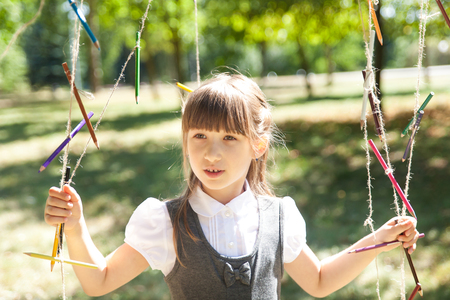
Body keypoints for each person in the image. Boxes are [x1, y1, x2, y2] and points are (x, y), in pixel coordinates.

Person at [44, 73, 419, 299]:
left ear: (257, 145)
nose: (211, 153)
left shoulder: (279, 216)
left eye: (229, 139)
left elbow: (319, 281)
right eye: (200, 136)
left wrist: (379, 239)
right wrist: (75, 227)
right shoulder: (165, 222)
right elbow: (99, 280)